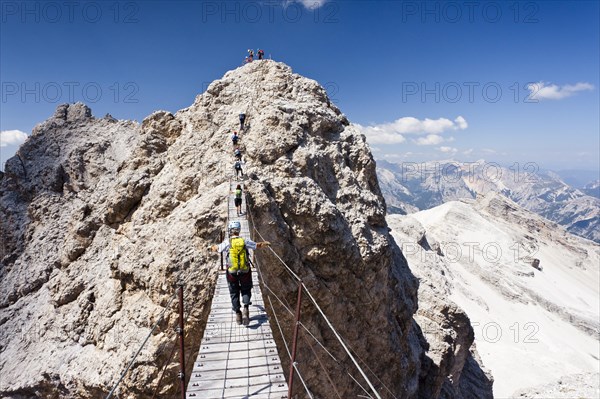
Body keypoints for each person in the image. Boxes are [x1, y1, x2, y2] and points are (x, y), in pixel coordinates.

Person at [210, 221, 271, 325]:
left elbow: (217, 249)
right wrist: (265, 243)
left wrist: (212, 247)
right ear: (239, 230)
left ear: (230, 230)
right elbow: (257, 245)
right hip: (245, 271)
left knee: (234, 292)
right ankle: (246, 308)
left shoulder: (227, 242)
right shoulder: (244, 240)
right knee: (246, 289)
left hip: (232, 273)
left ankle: (238, 314)